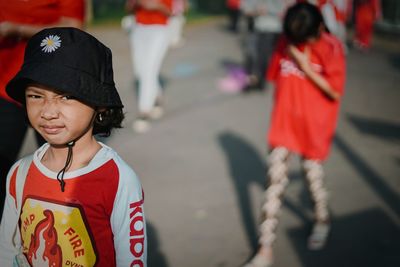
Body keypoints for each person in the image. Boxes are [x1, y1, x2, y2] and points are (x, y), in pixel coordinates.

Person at [0, 27, 147, 267]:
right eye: (35, 96)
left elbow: (132, 261)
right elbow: (7, 250)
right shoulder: (19, 174)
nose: (48, 112)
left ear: (99, 104)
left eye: (66, 96)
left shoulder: (118, 179)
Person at [243, 3, 345, 266]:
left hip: (314, 128)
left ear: (321, 27)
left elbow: (334, 91)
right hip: (284, 125)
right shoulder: (286, 41)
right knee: (274, 185)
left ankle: (322, 219)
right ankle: (265, 248)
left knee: (313, 180)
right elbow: (275, 75)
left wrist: (305, 66)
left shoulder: (331, 47)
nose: (298, 44)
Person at [0, 0, 85, 221]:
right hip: (5, 88)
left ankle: (66, 229)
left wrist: (16, 29)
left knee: (63, 171)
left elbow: (72, 29)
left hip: (50, 91)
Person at [125, 0, 173, 134]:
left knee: (149, 71)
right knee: (140, 72)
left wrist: (156, 5)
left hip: (159, 30)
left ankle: (144, 112)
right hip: (139, 29)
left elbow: (171, 12)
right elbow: (128, 8)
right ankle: (157, 98)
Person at [240, 0, 295, 92]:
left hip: (274, 29)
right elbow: (246, 9)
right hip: (259, 28)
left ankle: (262, 79)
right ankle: (255, 79)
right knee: (254, 55)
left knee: (265, 57)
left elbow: (286, 8)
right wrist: (256, 11)